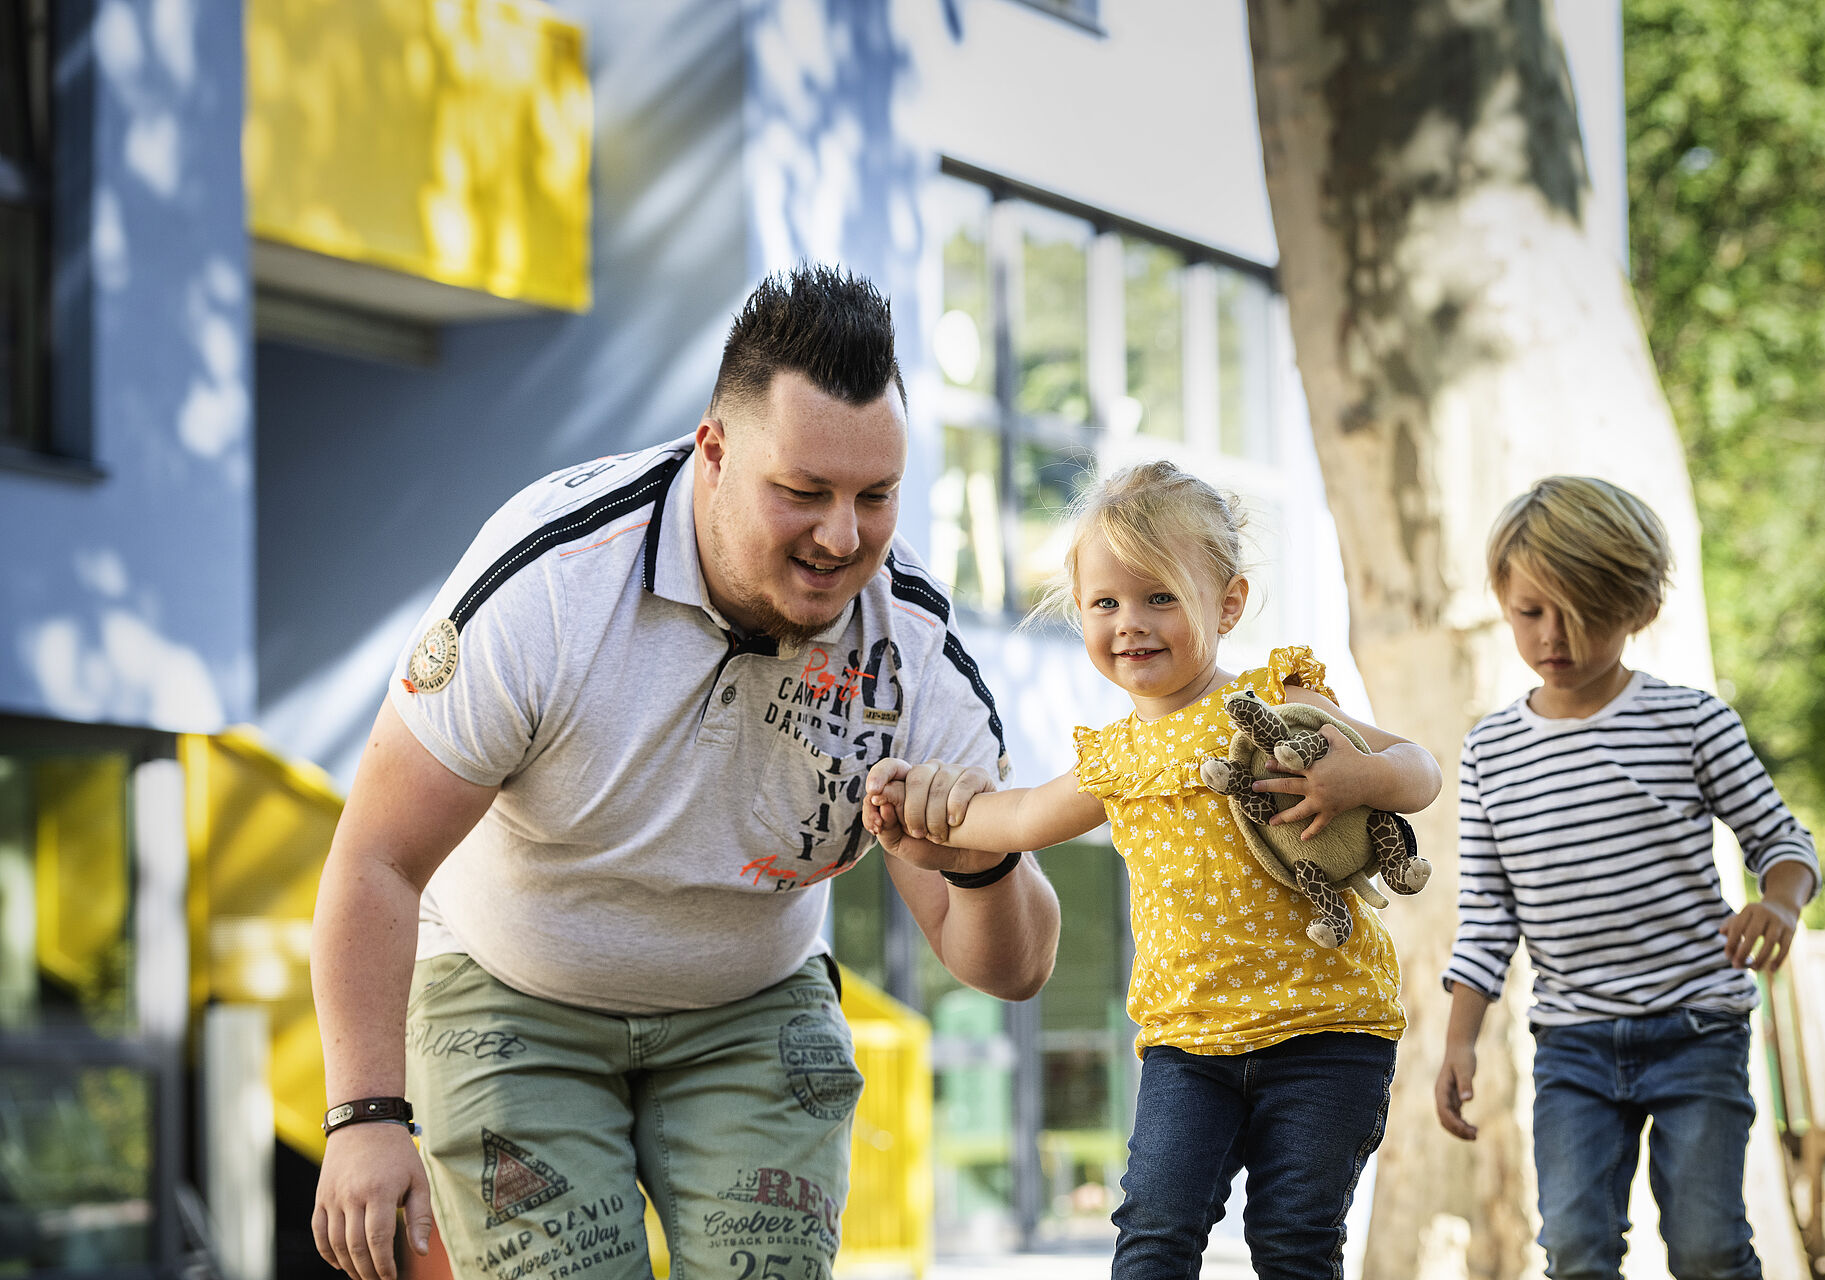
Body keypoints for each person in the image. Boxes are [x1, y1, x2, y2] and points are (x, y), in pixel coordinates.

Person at [307, 265, 1060, 1280]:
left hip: (751, 1006)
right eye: (802, 492)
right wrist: (363, 1115)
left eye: (875, 496)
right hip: (512, 990)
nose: (842, 537)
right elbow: (377, 858)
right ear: (712, 453)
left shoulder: (911, 647)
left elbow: (1011, 967)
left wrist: (976, 865)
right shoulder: (555, 583)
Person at [862, 462, 1442, 1279]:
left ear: (1228, 603)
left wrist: (1359, 777)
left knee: (1294, 1241)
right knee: (1154, 1239)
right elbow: (1016, 817)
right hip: (1187, 1045)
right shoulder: (1117, 759)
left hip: (1325, 1032)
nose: (1130, 623)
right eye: (1106, 603)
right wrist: (919, 830)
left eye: (1160, 598)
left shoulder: (1274, 699)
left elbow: (1420, 767)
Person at [1433, 476, 1819, 1280]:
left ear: (1638, 607)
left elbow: (1781, 839)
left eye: (1584, 615)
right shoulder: (1491, 752)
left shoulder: (1692, 721)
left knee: (1708, 1246)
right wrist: (1460, 1039)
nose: (1554, 639)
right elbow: (1487, 914)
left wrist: (1779, 901)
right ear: (1503, 600)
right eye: (1531, 612)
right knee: (1575, 1248)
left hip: (1698, 1029)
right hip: (1572, 1042)